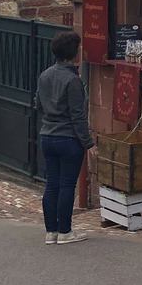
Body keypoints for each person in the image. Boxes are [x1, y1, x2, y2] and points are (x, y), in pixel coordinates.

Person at [35, 31, 94, 245]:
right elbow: (78, 116)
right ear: (73, 52)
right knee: (67, 185)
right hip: (68, 138)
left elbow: (38, 105)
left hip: (47, 135)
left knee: (52, 184)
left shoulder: (45, 75)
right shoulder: (73, 81)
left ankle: (51, 231)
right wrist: (89, 143)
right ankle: (65, 231)